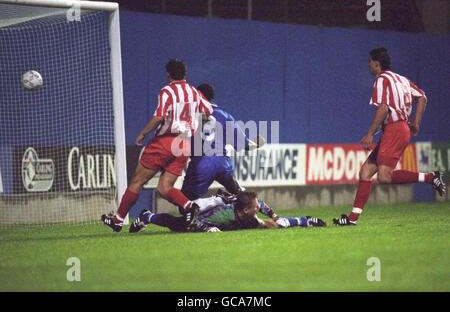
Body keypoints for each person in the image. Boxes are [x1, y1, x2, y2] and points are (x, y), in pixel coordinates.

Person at [333, 47, 447, 226]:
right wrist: (416, 123)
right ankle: (352, 219)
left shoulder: (381, 79)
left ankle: (431, 177)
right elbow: (423, 97)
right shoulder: (402, 79)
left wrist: (370, 133)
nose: (368, 64)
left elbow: (383, 107)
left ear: (377, 64)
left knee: (384, 176)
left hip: (394, 130)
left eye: (370, 60)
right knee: (365, 172)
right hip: (399, 129)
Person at [102, 59, 213, 232]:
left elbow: (160, 116)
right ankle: (190, 206)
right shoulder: (194, 92)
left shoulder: (167, 91)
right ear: (185, 74)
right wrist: (193, 124)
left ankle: (117, 220)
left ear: (168, 74)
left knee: (137, 181)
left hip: (165, 142)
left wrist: (143, 133)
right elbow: (208, 111)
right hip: (184, 144)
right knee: (164, 187)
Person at [180, 83, 265, 201]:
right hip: (223, 163)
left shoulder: (189, 114)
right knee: (237, 193)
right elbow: (244, 145)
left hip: (201, 164)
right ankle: (238, 200)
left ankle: (218, 201)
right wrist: (257, 144)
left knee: (184, 201)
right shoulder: (224, 115)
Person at [129, 190, 326, 233]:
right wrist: (207, 230)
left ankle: (305, 220)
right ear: (246, 210)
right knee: (177, 224)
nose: (259, 207)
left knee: (276, 225)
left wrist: (274, 216)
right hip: (198, 214)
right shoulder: (222, 214)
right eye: (255, 207)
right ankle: (148, 215)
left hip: (239, 221)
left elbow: (262, 205)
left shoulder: (248, 208)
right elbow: (201, 223)